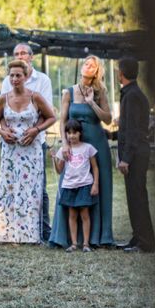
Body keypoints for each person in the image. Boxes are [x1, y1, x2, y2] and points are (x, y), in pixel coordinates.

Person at [49, 55, 114, 248]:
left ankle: (97, 237)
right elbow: (62, 121)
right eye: (86, 64)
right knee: (68, 182)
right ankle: (67, 237)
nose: (88, 67)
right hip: (73, 142)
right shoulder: (68, 92)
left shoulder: (100, 91)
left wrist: (91, 102)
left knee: (97, 185)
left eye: (92, 66)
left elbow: (108, 119)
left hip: (97, 143)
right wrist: (65, 144)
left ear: (96, 71)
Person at [0, 59, 56, 244]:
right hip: (10, 151)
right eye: (11, 75)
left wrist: (36, 130)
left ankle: (30, 235)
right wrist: (3, 132)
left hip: (31, 151)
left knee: (31, 191)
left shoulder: (35, 97)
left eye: (18, 75)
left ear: (25, 77)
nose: (14, 78)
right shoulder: (4, 98)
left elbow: (52, 117)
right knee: (9, 188)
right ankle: (7, 233)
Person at [115, 58, 155, 253]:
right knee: (133, 196)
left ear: (122, 72)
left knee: (138, 197)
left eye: (117, 70)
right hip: (136, 151)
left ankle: (146, 242)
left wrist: (126, 158)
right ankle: (137, 237)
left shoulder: (132, 96)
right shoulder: (132, 94)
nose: (116, 72)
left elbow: (133, 131)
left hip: (136, 153)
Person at [52, 119, 99, 252]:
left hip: (85, 185)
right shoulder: (64, 150)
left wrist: (95, 184)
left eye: (75, 133)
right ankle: (74, 243)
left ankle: (85, 244)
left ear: (80, 133)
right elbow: (59, 170)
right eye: (69, 133)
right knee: (72, 215)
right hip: (69, 186)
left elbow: (95, 168)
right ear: (66, 134)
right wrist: (55, 158)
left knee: (84, 215)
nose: (71, 136)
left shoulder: (88, 148)